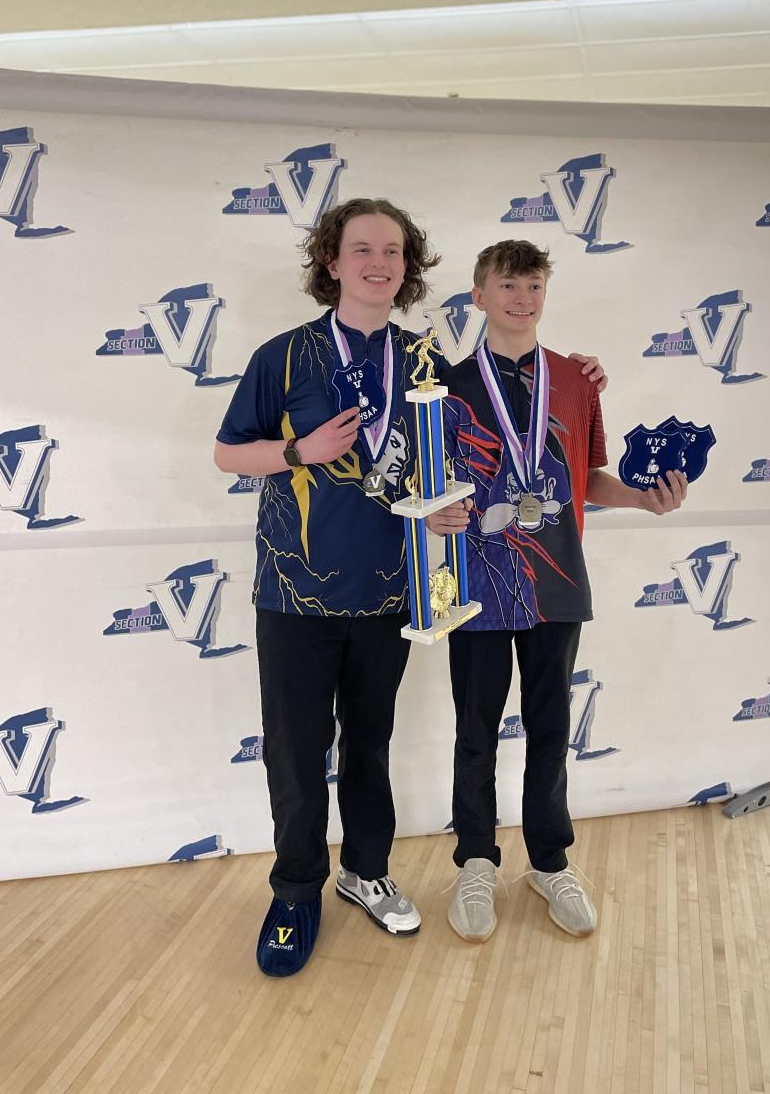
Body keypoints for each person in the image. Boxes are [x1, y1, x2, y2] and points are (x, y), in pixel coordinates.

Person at [215, 203, 608, 977]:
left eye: (391, 251)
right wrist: (299, 448)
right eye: (361, 248)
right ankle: (295, 890)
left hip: (395, 594)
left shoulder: (426, 363)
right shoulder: (283, 356)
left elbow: (470, 449)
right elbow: (230, 455)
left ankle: (365, 871)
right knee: (297, 754)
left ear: (408, 267)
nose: (378, 262)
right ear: (332, 261)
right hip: (293, 594)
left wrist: (580, 375)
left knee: (369, 746)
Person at [428, 239, 687, 944]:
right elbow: (427, 491)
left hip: (557, 582)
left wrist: (641, 500)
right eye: (506, 285)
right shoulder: (446, 386)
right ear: (478, 295)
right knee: (476, 733)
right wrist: (435, 512)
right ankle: (477, 860)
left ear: (546, 294)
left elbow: (587, 478)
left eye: (533, 284)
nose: (522, 297)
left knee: (549, 731)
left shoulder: (576, 381)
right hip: (476, 585)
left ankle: (548, 861)